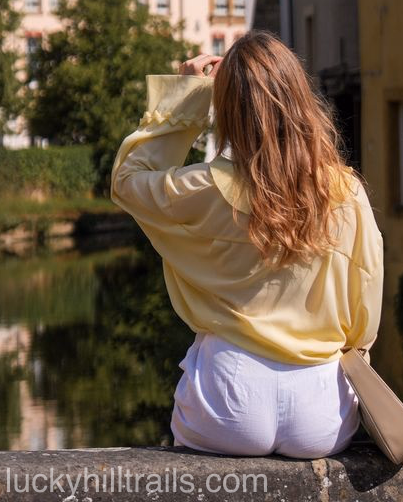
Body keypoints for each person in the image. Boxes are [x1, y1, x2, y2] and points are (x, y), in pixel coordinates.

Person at [110, 30, 382, 458]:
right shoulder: (345, 191)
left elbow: (127, 183)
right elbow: (365, 298)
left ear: (230, 113)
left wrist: (188, 95)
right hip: (319, 406)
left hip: (228, 395)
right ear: (299, 100)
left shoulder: (203, 188)